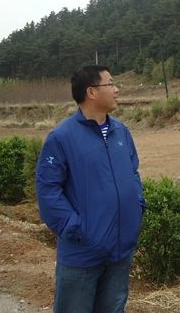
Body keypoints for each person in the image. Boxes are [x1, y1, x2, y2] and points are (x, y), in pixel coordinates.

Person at [36, 65, 146, 313]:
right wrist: (75, 228)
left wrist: (137, 205)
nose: (117, 90)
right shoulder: (62, 137)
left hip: (120, 250)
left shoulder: (121, 132)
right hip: (82, 253)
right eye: (111, 83)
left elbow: (133, 172)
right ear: (92, 92)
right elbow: (47, 189)